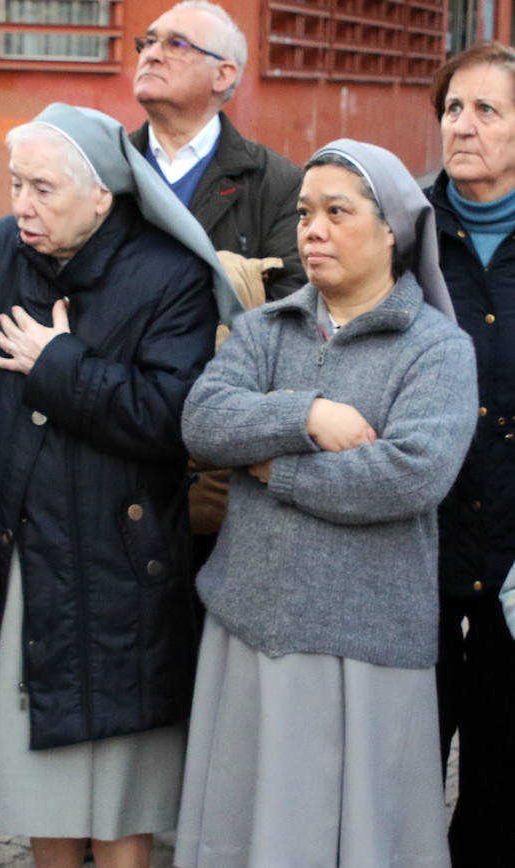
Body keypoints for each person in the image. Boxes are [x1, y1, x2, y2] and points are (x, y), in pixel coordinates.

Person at [0, 102, 239, 868]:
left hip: (118, 566)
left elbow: (174, 417)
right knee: (44, 786)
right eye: (14, 183)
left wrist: (58, 367)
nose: (21, 205)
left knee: (119, 797)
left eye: (43, 189)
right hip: (14, 548)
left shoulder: (169, 275)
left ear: (103, 195)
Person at [175, 139, 477, 867]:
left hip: (365, 641)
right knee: (244, 837)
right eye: (306, 212)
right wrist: (306, 415)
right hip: (249, 626)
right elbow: (204, 421)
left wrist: (274, 469)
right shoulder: (263, 328)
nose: (312, 229)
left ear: (391, 232)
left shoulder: (438, 350)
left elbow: (408, 476)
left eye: (337, 212)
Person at [426, 41, 515, 867]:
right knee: (403, 761)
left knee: (502, 777)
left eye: (487, 109)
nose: (464, 124)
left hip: (514, 561)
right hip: (413, 547)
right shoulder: (403, 235)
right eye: (454, 108)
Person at [131, 1, 304, 301]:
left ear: (223, 75)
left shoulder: (278, 184)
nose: (152, 55)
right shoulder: (103, 168)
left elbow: (292, 304)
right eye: (148, 42)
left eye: (176, 44)